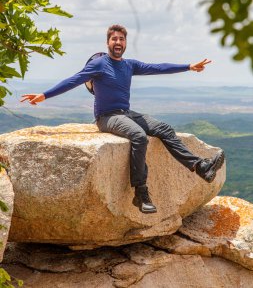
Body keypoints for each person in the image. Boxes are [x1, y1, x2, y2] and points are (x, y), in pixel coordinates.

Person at [21, 24, 225, 214]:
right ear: (108, 43)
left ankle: (200, 167)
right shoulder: (99, 63)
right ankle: (141, 192)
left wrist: (188, 66)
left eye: (121, 39)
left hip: (126, 113)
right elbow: (74, 80)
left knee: (163, 128)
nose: (118, 42)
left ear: (125, 43)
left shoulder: (129, 65)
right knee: (138, 136)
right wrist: (44, 95)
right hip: (107, 117)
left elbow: (158, 67)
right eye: (114, 39)